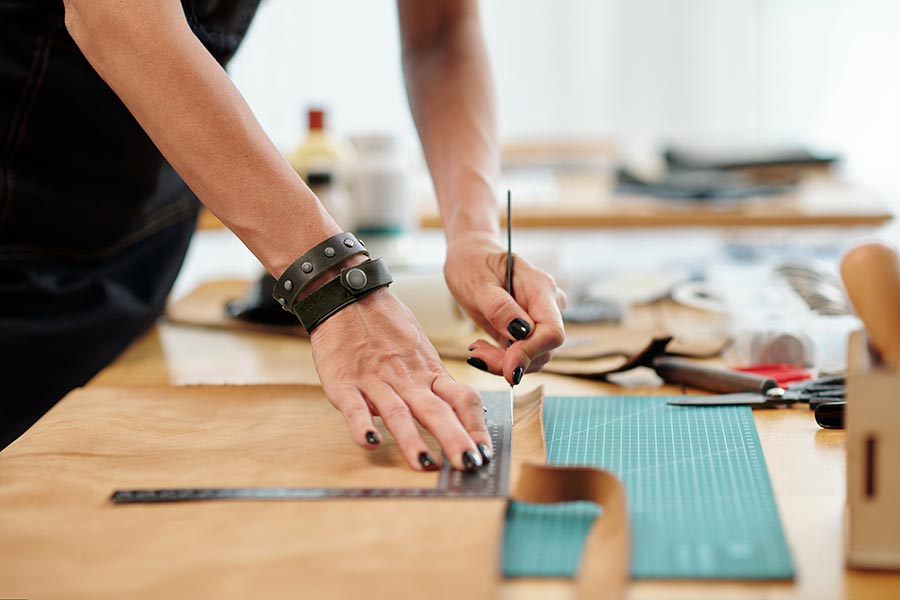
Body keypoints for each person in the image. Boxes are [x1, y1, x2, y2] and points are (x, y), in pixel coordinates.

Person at [0, 0, 567, 469]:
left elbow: (441, 30)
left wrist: (473, 238)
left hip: (141, 235)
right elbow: (116, 15)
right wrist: (334, 283)